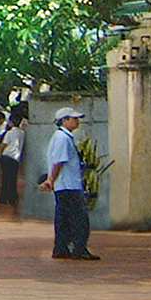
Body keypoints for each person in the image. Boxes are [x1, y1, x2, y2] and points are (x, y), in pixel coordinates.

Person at [39, 106, 96, 260]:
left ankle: (61, 248)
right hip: (69, 185)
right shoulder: (62, 138)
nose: (77, 122)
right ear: (64, 120)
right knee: (79, 218)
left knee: (64, 218)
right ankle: (79, 248)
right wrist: (50, 180)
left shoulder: (62, 137)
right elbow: (58, 162)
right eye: (74, 119)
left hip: (65, 185)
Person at [0, 108, 26, 209]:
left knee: (5, 177)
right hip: (16, 157)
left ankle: (3, 198)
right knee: (13, 178)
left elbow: (4, 144)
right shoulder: (22, 133)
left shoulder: (9, 133)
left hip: (7, 156)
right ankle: (12, 197)